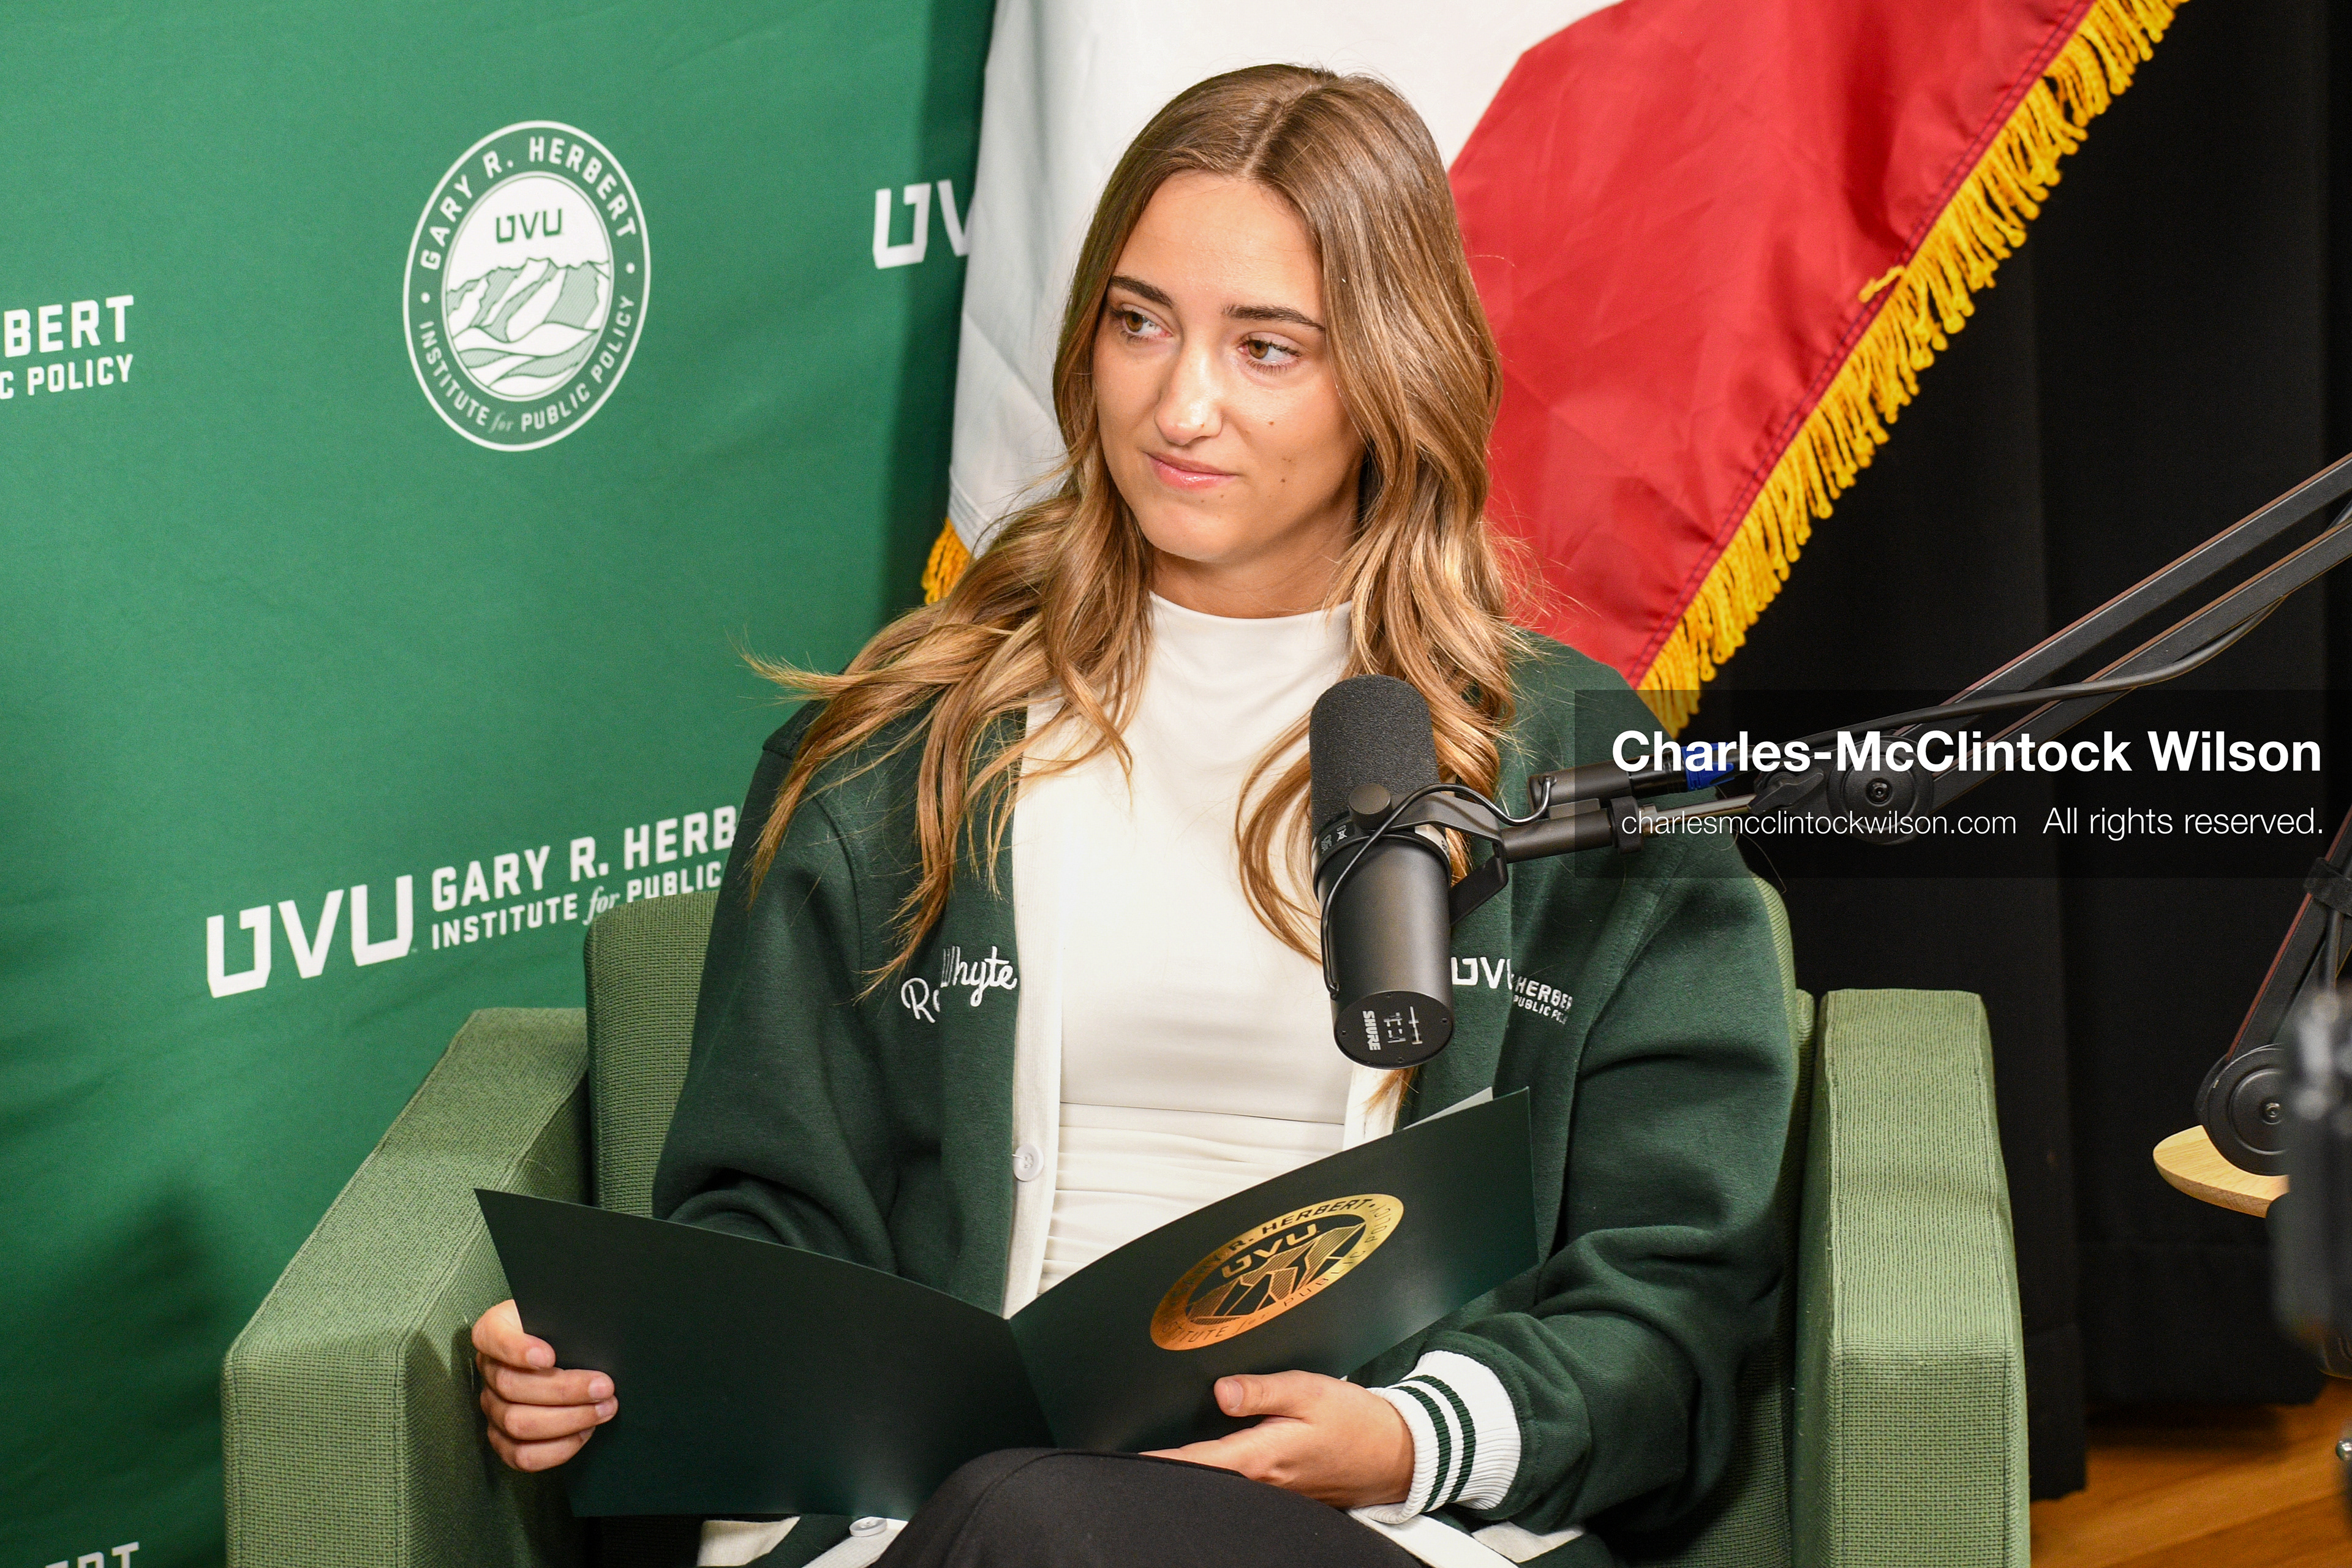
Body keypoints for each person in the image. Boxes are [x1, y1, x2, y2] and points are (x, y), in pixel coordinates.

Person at [470, 64, 1793, 1568]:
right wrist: (606, 1357)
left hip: (1380, 1527)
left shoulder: (1565, 765)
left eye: (1267, 346)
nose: (1182, 405)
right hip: (931, 1523)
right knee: (1024, 1514)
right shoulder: (899, 749)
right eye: (1139, 321)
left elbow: (1680, 1286)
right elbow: (774, 1225)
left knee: (1035, 1516)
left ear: (1392, 373)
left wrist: (1406, 1434)